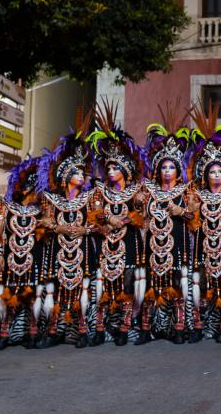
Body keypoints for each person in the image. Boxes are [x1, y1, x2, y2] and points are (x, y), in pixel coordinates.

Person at [86, 100, 146, 346]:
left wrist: (127, 218)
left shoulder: (136, 190)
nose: (110, 171)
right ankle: (100, 328)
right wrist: (108, 220)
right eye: (108, 167)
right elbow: (95, 213)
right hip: (105, 242)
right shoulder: (99, 189)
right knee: (102, 286)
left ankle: (124, 325)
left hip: (129, 242)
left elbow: (141, 215)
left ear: (125, 169)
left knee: (128, 284)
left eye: (115, 167)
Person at [37, 108, 98, 349]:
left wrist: (86, 230)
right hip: (58, 251)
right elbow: (44, 222)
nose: (82, 175)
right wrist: (59, 227)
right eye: (76, 172)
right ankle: (54, 331)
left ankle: (82, 330)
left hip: (82, 249)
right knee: (55, 290)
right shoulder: (51, 199)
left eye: (82, 172)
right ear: (65, 176)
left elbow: (99, 222)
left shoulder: (91, 197)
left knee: (83, 290)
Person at [140, 103, 195, 345]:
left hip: (178, 242)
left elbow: (194, 216)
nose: (167, 170)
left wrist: (179, 209)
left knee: (178, 283)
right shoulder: (148, 189)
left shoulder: (186, 189)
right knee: (151, 284)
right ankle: (147, 328)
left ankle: (180, 326)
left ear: (178, 169)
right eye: (164, 166)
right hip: (152, 244)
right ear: (158, 168)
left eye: (172, 166)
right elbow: (139, 215)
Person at [187, 101, 221, 343]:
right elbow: (190, 217)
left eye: (219, 172)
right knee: (203, 282)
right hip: (204, 245)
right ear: (204, 174)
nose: (215, 175)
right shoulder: (197, 194)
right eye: (211, 172)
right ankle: (200, 323)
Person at [0, 157, 44, 350]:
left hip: (34, 258)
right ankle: (4, 334)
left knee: (33, 297)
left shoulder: (42, 209)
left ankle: (33, 333)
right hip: (10, 258)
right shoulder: (5, 206)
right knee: (7, 296)